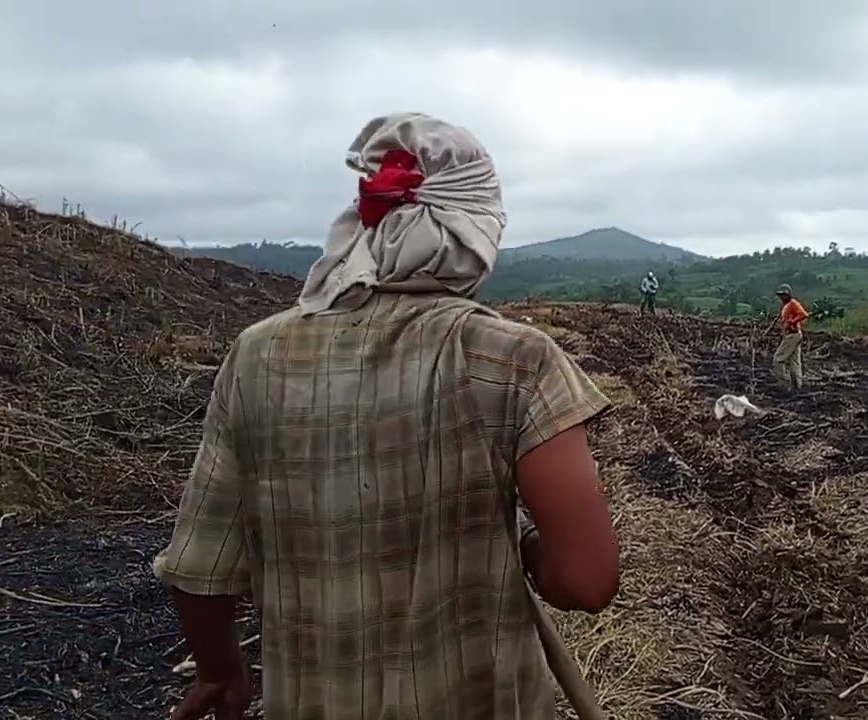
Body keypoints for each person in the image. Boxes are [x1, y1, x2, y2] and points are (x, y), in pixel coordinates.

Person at [154, 112, 620, 720]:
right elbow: (586, 581)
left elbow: (199, 567)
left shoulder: (257, 354)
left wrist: (219, 670)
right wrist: (528, 551)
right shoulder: (514, 360)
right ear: (475, 232)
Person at [772, 283, 809, 389]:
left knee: (778, 359)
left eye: (783, 295)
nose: (781, 298)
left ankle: (784, 383)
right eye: (780, 296)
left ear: (788, 294)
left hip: (793, 334)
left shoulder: (793, 303)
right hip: (793, 334)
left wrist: (793, 321)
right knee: (794, 361)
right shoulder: (786, 306)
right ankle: (797, 385)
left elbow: (803, 314)